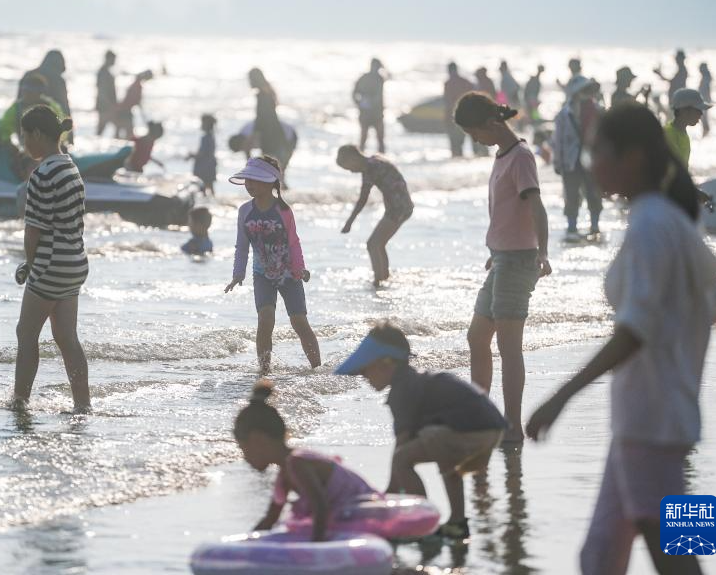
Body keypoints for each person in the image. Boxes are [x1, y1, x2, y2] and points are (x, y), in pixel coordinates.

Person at [526, 102, 716, 575]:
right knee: (600, 556)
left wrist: (560, 396)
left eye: (597, 153)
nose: (591, 165)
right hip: (653, 421)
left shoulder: (652, 226)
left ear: (635, 157)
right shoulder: (671, 220)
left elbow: (636, 331)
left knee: (676, 555)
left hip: (653, 422)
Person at [335, 322, 507, 541]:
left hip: (471, 429)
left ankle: (422, 521)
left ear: (386, 364)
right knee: (440, 451)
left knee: (404, 459)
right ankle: (456, 523)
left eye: (366, 371)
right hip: (491, 428)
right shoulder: (415, 381)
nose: (365, 379)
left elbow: (403, 443)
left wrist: (390, 490)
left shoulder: (401, 391)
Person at [454, 92, 551, 443]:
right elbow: (508, 213)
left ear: (492, 124)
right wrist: (496, 250)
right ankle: (482, 414)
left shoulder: (521, 157)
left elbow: (536, 207)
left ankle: (512, 427)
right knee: (477, 336)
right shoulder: (502, 156)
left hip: (520, 260)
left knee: (510, 346)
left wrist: (543, 252)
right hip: (501, 259)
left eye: (474, 133)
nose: (474, 140)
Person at [12, 105, 90, 413]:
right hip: (74, 263)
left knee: (26, 332)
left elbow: (34, 231)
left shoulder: (42, 174)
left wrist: (30, 266)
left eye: (25, 136)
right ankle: (83, 404)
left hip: (51, 265)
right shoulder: (70, 166)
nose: (23, 143)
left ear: (38, 134)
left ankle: (20, 400)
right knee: (66, 337)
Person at [235, 380, 377, 541]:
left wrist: (315, 548)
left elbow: (320, 508)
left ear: (257, 440)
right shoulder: (284, 474)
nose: (244, 457)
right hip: (343, 517)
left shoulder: (297, 463)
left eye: (243, 449)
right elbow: (270, 519)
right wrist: (243, 545)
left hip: (366, 511)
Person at [225, 156, 320, 373]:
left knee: (299, 322)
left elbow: (293, 241)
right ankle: (264, 371)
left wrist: (300, 268)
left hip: (289, 276)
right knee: (265, 320)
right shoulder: (245, 211)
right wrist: (238, 273)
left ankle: (317, 369)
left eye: (254, 180)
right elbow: (241, 245)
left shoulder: (283, 211)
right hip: (262, 276)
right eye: (247, 180)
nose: (249, 184)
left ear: (270, 182)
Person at [336, 145, 414, 285]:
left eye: (349, 168)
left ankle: (378, 282)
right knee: (379, 244)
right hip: (402, 205)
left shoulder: (370, 168)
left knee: (372, 244)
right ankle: (384, 278)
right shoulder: (374, 160)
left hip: (398, 207)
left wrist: (349, 222)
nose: (351, 172)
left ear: (353, 158)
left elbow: (363, 199)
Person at [553, 75, 604, 240]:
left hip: (591, 161)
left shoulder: (597, 110)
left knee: (593, 194)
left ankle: (594, 226)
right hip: (571, 161)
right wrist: (558, 162)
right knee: (571, 194)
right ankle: (572, 227)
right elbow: (558, 140)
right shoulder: (564, 114)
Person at [248, 68, 292, 169]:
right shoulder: (268, 93)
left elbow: (261, 119)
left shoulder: (262, 96)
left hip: (269, 137)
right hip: (277, 134)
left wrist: (256, 135)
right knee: (276, 171)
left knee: (269, 171)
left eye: (250, 79)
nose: (249, 82)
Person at [665, 88, 711, 169]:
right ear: (684, 111)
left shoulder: (682, 132)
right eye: (698, 110)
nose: (701, 114)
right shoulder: (669, 135)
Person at [352, 58, 387, 153]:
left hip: (376, 114)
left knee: (380, 140)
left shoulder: (379, 78)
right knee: (364, 139)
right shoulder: (366, 78)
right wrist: (360, 103)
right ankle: (362, 162)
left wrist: (359, 103)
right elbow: (355, 93)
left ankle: (382, 162)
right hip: (367, 114)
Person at [25, 50, 70, 118]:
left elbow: (18, 102)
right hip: (50, 122)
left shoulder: (28, 75)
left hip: (24, 119)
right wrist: (69, 125)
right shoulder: (59, 80)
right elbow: (64, 107)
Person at [444, 62, 475, 158]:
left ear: (449, 70)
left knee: (455, 146)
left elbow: (448, 102)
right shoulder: (466, 82)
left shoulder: (448, 83)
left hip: (453, 117)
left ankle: (457, 161)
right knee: (464, 141)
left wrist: (446, 118)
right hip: (467, 116)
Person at [114, 70, 152, 140]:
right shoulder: (137, 86)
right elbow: (135, 100)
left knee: (121, 131)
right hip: (124, 111)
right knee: (127, 132)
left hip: (123, 110)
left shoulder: (136, 84)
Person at [189, 113, 217, 195]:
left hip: (204, 167)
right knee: (210, 187)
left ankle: (205, 203)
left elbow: (202, 153)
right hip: (210, 165)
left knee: (202, 187)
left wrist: (192, 155)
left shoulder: (206, 138)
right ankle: (212, 202)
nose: (201, 125)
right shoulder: (211, 137)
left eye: (203, 123)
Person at [95, 50, 118, 135]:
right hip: (105, 106)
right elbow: (102, 92)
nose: (114, 62)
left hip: (106, 106)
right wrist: (109, 105)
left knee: (103, 129)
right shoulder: (103, 72)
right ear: (108, 59)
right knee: (102, 129)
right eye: (113, 59)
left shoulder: (105, 72)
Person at [697, 63, 712, 136]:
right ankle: (706, 130)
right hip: (704, 99)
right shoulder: (706, 76)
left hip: (704, 99)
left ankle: (706, 130)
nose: (699, 70)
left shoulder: (706, 76)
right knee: (703, 116)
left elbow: (705, 89)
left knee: (703, 116)